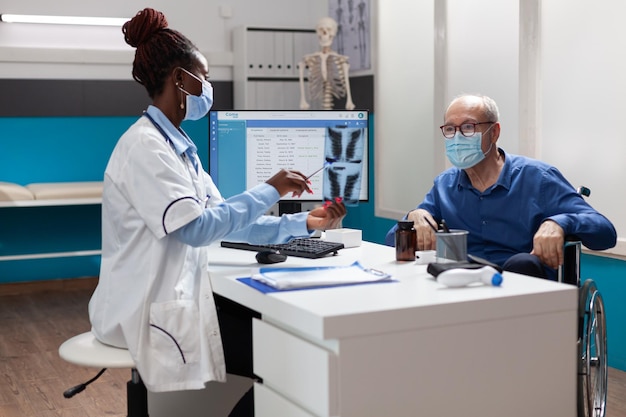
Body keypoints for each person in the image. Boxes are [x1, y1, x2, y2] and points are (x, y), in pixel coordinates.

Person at [88, 8, 346, 394]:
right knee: (285, 352)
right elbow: (197, 229)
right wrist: (270, 188)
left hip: (173, 301)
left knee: (278, 340)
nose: (208, 88)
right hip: (144, 313)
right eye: (204, 78)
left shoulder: (179, 150)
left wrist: (305, 223)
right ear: (180, 79)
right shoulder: (146, 148)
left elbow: (228, 220)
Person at [385, 94, 616, 280]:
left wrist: (559, 223)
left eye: (468, 127)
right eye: (450, 129)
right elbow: (392, 241)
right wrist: (414, 217)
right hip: (462, 292)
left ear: (494, 132)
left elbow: (606, 234)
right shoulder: (445, 185)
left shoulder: (538, 179)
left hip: (526, 297)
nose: (457, 137)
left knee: (521, 263)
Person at [298, 16, 355, 110]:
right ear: (318, 33)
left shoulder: (339, 58)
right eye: (321, 30)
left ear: (333, 33)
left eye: (328, 30)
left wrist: (349, 101)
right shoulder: (312, 57)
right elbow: (302, 65)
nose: (325, 33)